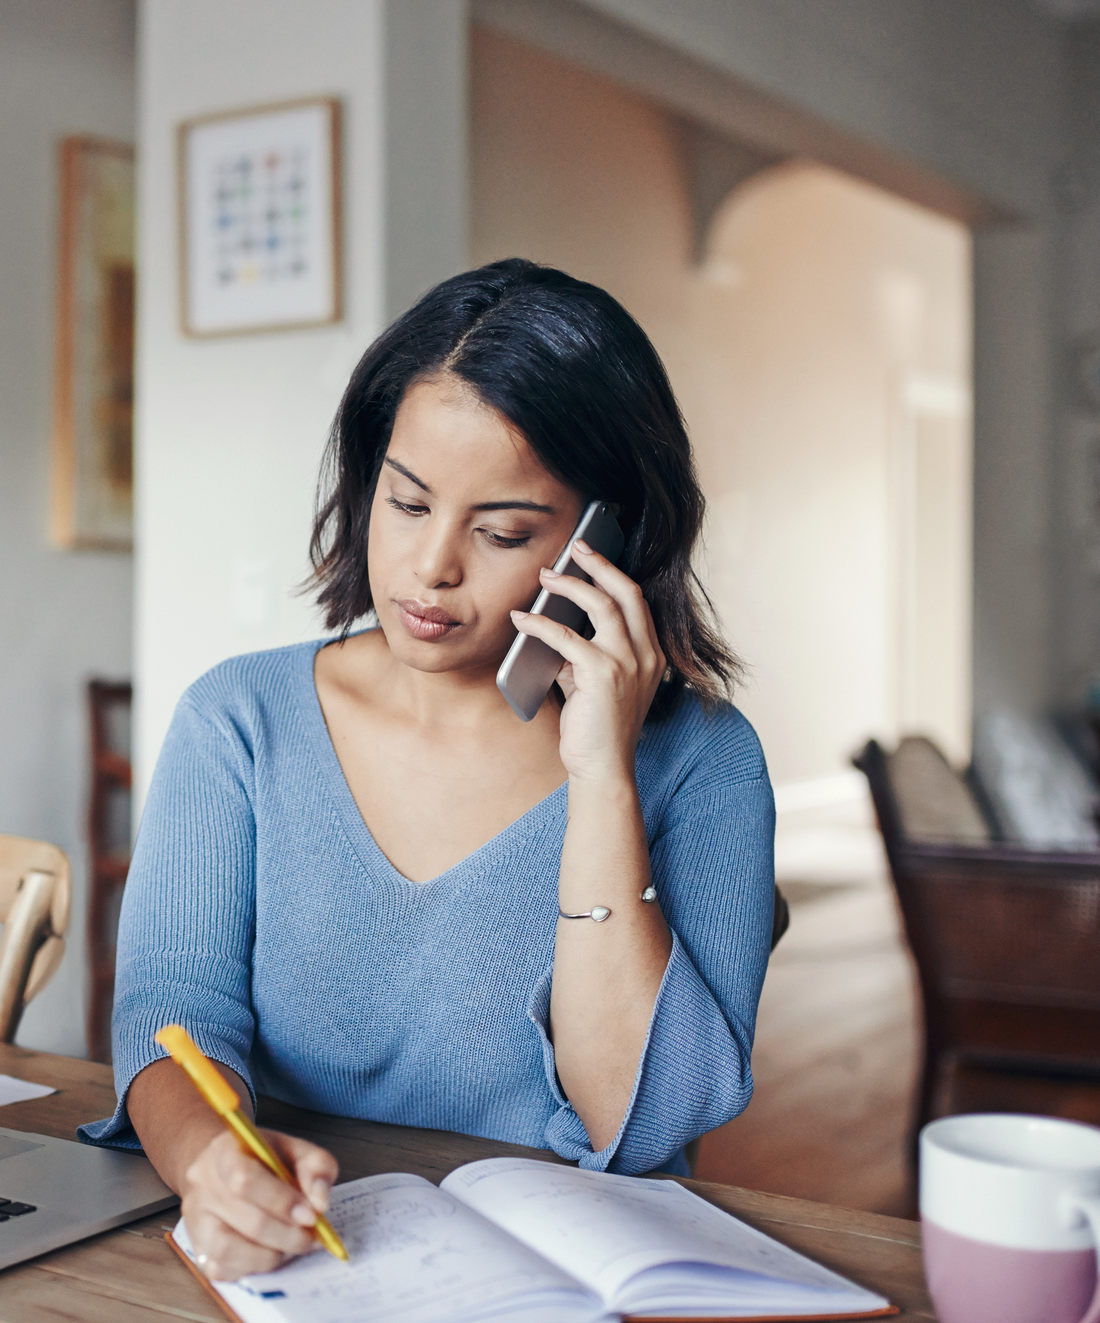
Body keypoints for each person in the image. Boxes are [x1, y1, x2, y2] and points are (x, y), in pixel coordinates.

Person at [78, 259, 775, 1282]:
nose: (431, 567)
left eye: (500, 531)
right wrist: (211, 1163)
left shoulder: (705, 764)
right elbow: (171, 1005)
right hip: (296, 1267)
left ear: (607, 537)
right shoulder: (238, 719)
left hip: (564, 1285)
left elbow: (636, 1123)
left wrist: (601, 780)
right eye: (405, 503)